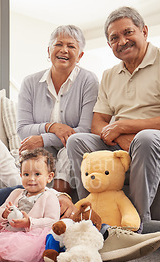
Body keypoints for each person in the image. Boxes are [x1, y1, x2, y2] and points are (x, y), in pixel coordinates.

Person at [0, 71, 160, 262]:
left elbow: (17, 180)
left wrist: (57, 196)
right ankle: (33, 240)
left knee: (30, 191)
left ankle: (103, 236)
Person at [67, 7, 160, 259]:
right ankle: (90, 222)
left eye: (128, 32)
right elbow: (98, 124)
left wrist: (124, 127)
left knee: (145, 139)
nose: (121, 41)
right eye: (114, 38)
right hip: (127, 142)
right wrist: (122, 138)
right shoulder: (110, 75)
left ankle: (132, 229)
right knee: (77, 141)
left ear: (144, 31)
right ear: (109, 44)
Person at [17, 25, 99, 195]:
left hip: (73, 148)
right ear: (49, 50)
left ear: (80, 55)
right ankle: (29, 205)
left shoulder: (89, 80)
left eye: (71, 46)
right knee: (32, 155)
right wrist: (51, 127)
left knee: (67, 151)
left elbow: (85, 130)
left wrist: (43, 138)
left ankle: (59, 202)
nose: (64, 50)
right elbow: (23, 129)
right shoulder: (29, 83)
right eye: (58, 44)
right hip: (46, 149)